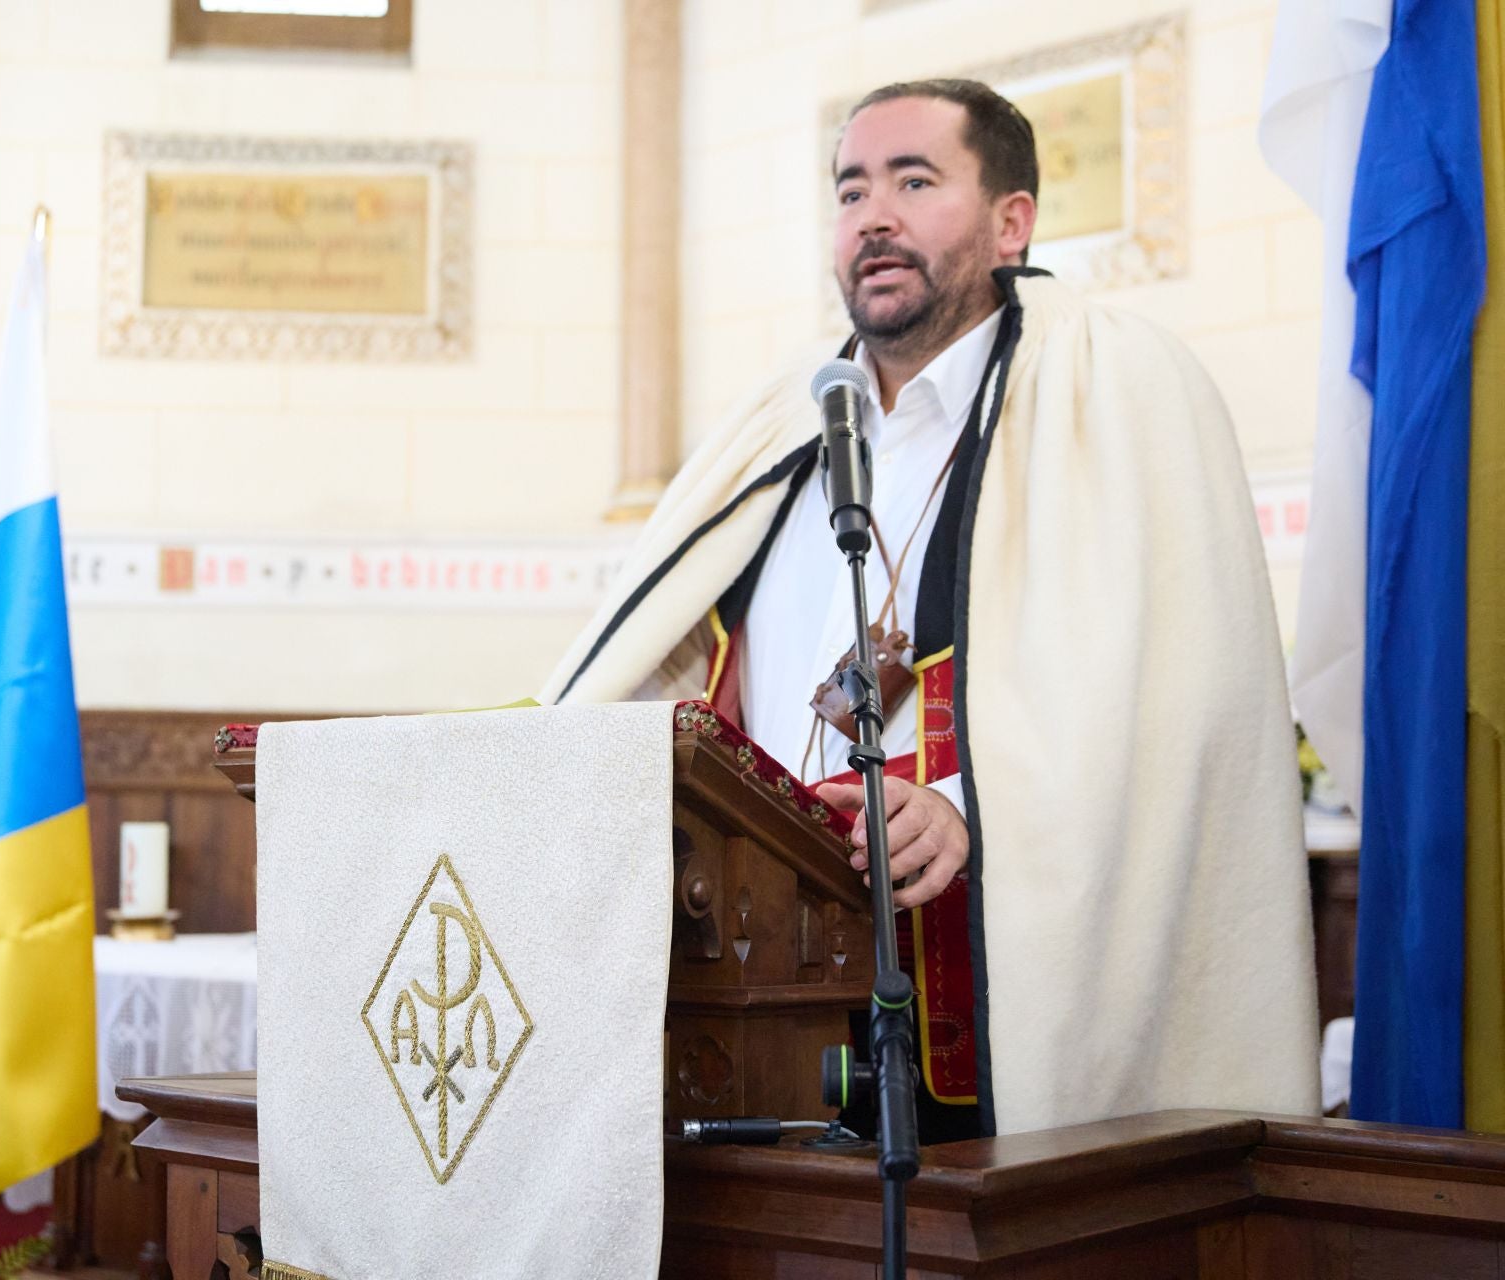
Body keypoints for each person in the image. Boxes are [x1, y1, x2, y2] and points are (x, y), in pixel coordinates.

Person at [542, 79, 1319, 1139]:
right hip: (753, 1003)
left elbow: (1187, 697)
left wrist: (970, 806)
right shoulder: (777, 426)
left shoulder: (1118, 386)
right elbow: (654, 673)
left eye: (914, 182)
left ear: (1012, 221)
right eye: (851, 189)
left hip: (983, 1014)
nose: (875, 216)